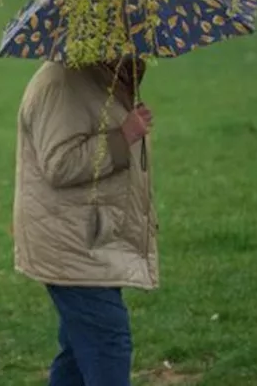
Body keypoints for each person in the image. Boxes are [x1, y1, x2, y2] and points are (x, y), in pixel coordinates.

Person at [12, 56, 158, 386]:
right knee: (107, 343)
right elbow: (60, 164)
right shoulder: (61, 83)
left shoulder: (94, 74)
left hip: (92, 235)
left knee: (80, 352)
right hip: (72, 243)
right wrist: (123, 138)